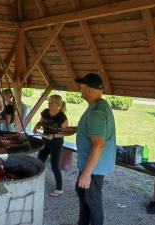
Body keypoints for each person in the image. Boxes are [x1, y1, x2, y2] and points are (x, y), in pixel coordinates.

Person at [74, 73, 116, 225]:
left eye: (82, 87)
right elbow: (93, 130)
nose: (80, 89)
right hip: (91, 165)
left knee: (93, 200)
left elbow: (99, 144)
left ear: (89, 90)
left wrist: (86, 174)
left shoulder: (97, 111)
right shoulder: (97, 106)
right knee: (83, 194)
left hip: (94, 167)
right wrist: (76, 129)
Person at [33, 94, 68, 197]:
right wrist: (36, 127)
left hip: (56, 143)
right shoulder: (45, 112)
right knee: (39, 161)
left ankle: (59, 188)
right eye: (49, 102)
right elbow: (40, 122)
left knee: (54, 165)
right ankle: (37, 181)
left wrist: (53, 136)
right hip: (45, 140)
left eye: (51, 102)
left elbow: (64, 133)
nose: (49, 103)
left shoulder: (62, 117)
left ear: (58, 105)